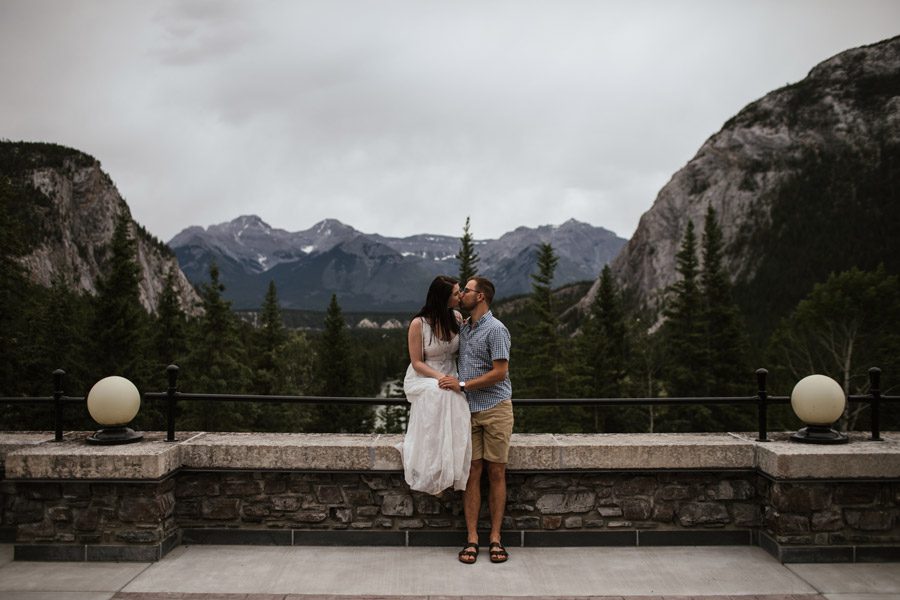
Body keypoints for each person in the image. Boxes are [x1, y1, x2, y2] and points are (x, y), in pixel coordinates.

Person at [439, 276, 512, 565]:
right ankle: (472, 538)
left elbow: (500, 373)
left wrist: (463, 385)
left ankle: (495, 538)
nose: (462, 296)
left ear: (480, 296)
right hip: (467, 411)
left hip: (495, 409)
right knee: (471, 472)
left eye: (466, 291)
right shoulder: (464, 327)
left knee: (496, 473)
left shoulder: (496, 330)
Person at [400, 275, 472, 495]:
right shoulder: (418, 324)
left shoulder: (457, 318)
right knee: (442, 393)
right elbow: (417, 362)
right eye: (456, 293)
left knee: (455, 394)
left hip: (451, 371)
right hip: (424, 375)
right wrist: (439, 378)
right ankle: (434, 469)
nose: (460, 296)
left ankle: (452, 466)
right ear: (443, 298)